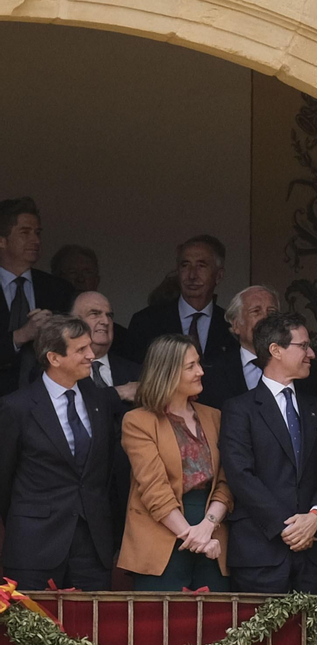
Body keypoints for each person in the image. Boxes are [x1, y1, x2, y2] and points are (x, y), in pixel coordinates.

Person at [220, 312, 317, 594]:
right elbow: (241, 475)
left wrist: (315, 516)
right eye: (302, 346)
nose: (311, 353)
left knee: (315, 637)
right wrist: (287, 527)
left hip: (315, 552)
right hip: (261, 551)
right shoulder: (240, 409)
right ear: (275, 350)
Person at [0, 315, 122, 590]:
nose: (91, 354)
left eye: (89, 346)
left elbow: (107, 472)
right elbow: (4, 479)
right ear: (54, 357)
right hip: (34, 545)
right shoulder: (16, 407)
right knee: (32, 631)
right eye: (81, 350)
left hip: (92, 545)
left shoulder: (99, 400)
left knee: (92, 630)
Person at [118, 335, 232, 591]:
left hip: (213, 531)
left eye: (199, 364)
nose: (200, 371)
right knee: (161, 626)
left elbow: (227, 479)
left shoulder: (215, 417)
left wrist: (208, 526)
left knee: (217, 625)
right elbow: (154, 488)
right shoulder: (138, 421)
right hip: (161, 536)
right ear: (167, 372)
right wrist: (196, 539)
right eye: (191, 366)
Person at [124, 235, 235, 376]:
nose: (192, 275)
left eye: (201, 266)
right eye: (185, 265)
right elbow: (134, 377)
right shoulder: (146, 322)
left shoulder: (231, 326)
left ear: (218, 276)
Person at [1, 197, 76, 396]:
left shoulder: (59, 289)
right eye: (25, 233)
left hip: (46, 402)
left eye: (37, 233)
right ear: (2, 240)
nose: (35, 240)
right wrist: (21, 335)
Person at [68, 291, 141, 405]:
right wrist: (118, 393)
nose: (106, 321)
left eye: (109, 315)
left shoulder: (136, 372)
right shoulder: (60, 368)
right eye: (95, 314)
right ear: (74, 322)